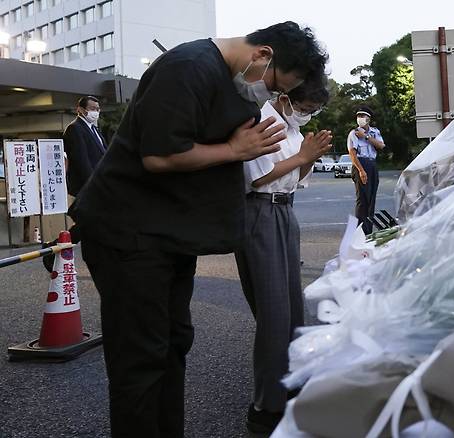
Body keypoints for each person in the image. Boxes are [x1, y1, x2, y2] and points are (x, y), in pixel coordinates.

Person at [68, 22, 328, 438]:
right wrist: (234, 150)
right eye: (278, 86)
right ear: (263, 55)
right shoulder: (188, 66)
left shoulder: (235, 84)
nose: (274, 98)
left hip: (169, 233)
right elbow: (158, 156)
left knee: (173, 344)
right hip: (127, 230)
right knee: (142, 357)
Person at [234, 75, 331, 434]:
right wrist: (304, 156)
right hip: (259, 210)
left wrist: (309, 158)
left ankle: (291, 383)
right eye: (305, 108)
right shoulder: (260, 119)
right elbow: (258, 178)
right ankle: (265, 406)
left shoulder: (290, 126)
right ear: (287, 98)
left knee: (292, 307)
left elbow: (296, 177)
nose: (307, 115)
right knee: (274, 313)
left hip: (284, 209)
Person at [42, 96, 107, 271]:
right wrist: (93, 187)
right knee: (93, 221)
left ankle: (54, 248)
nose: (96, 112)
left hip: (99, 185)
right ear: (80, 109)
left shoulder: (95, 130)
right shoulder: (75, 129)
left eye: (98, 108)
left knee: (91, 222)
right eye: (92, 108)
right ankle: (55, 248)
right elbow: (81, 161)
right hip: (88, 186)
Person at [347, 106, 385, 234]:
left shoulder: (375, 132)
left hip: (372, 164)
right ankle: (360, 231)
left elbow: (381, 145)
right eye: (358, 116)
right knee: (363, 200)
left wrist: (367, 137)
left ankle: (368, 231)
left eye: (363, 116)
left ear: (369, 119)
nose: (360, 118)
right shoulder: (354, 133)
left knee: (371, 199)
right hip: (360, 164)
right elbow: (352, 153)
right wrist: (361, 171)